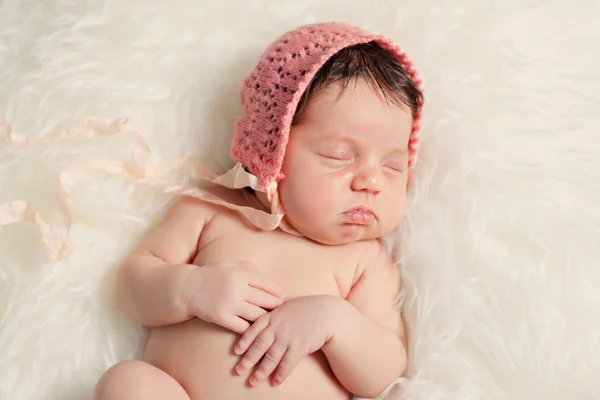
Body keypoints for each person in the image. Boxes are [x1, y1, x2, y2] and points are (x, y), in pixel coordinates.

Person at [93, 21, 424, 400]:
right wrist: (191, 289)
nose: (372, 183)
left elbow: (384, 374)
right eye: (339, 156)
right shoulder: (210, 211)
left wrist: (337, 322)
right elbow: (132, 286)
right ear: (271, 147)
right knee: (127, 382)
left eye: (393, 166)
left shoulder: (364, 261)